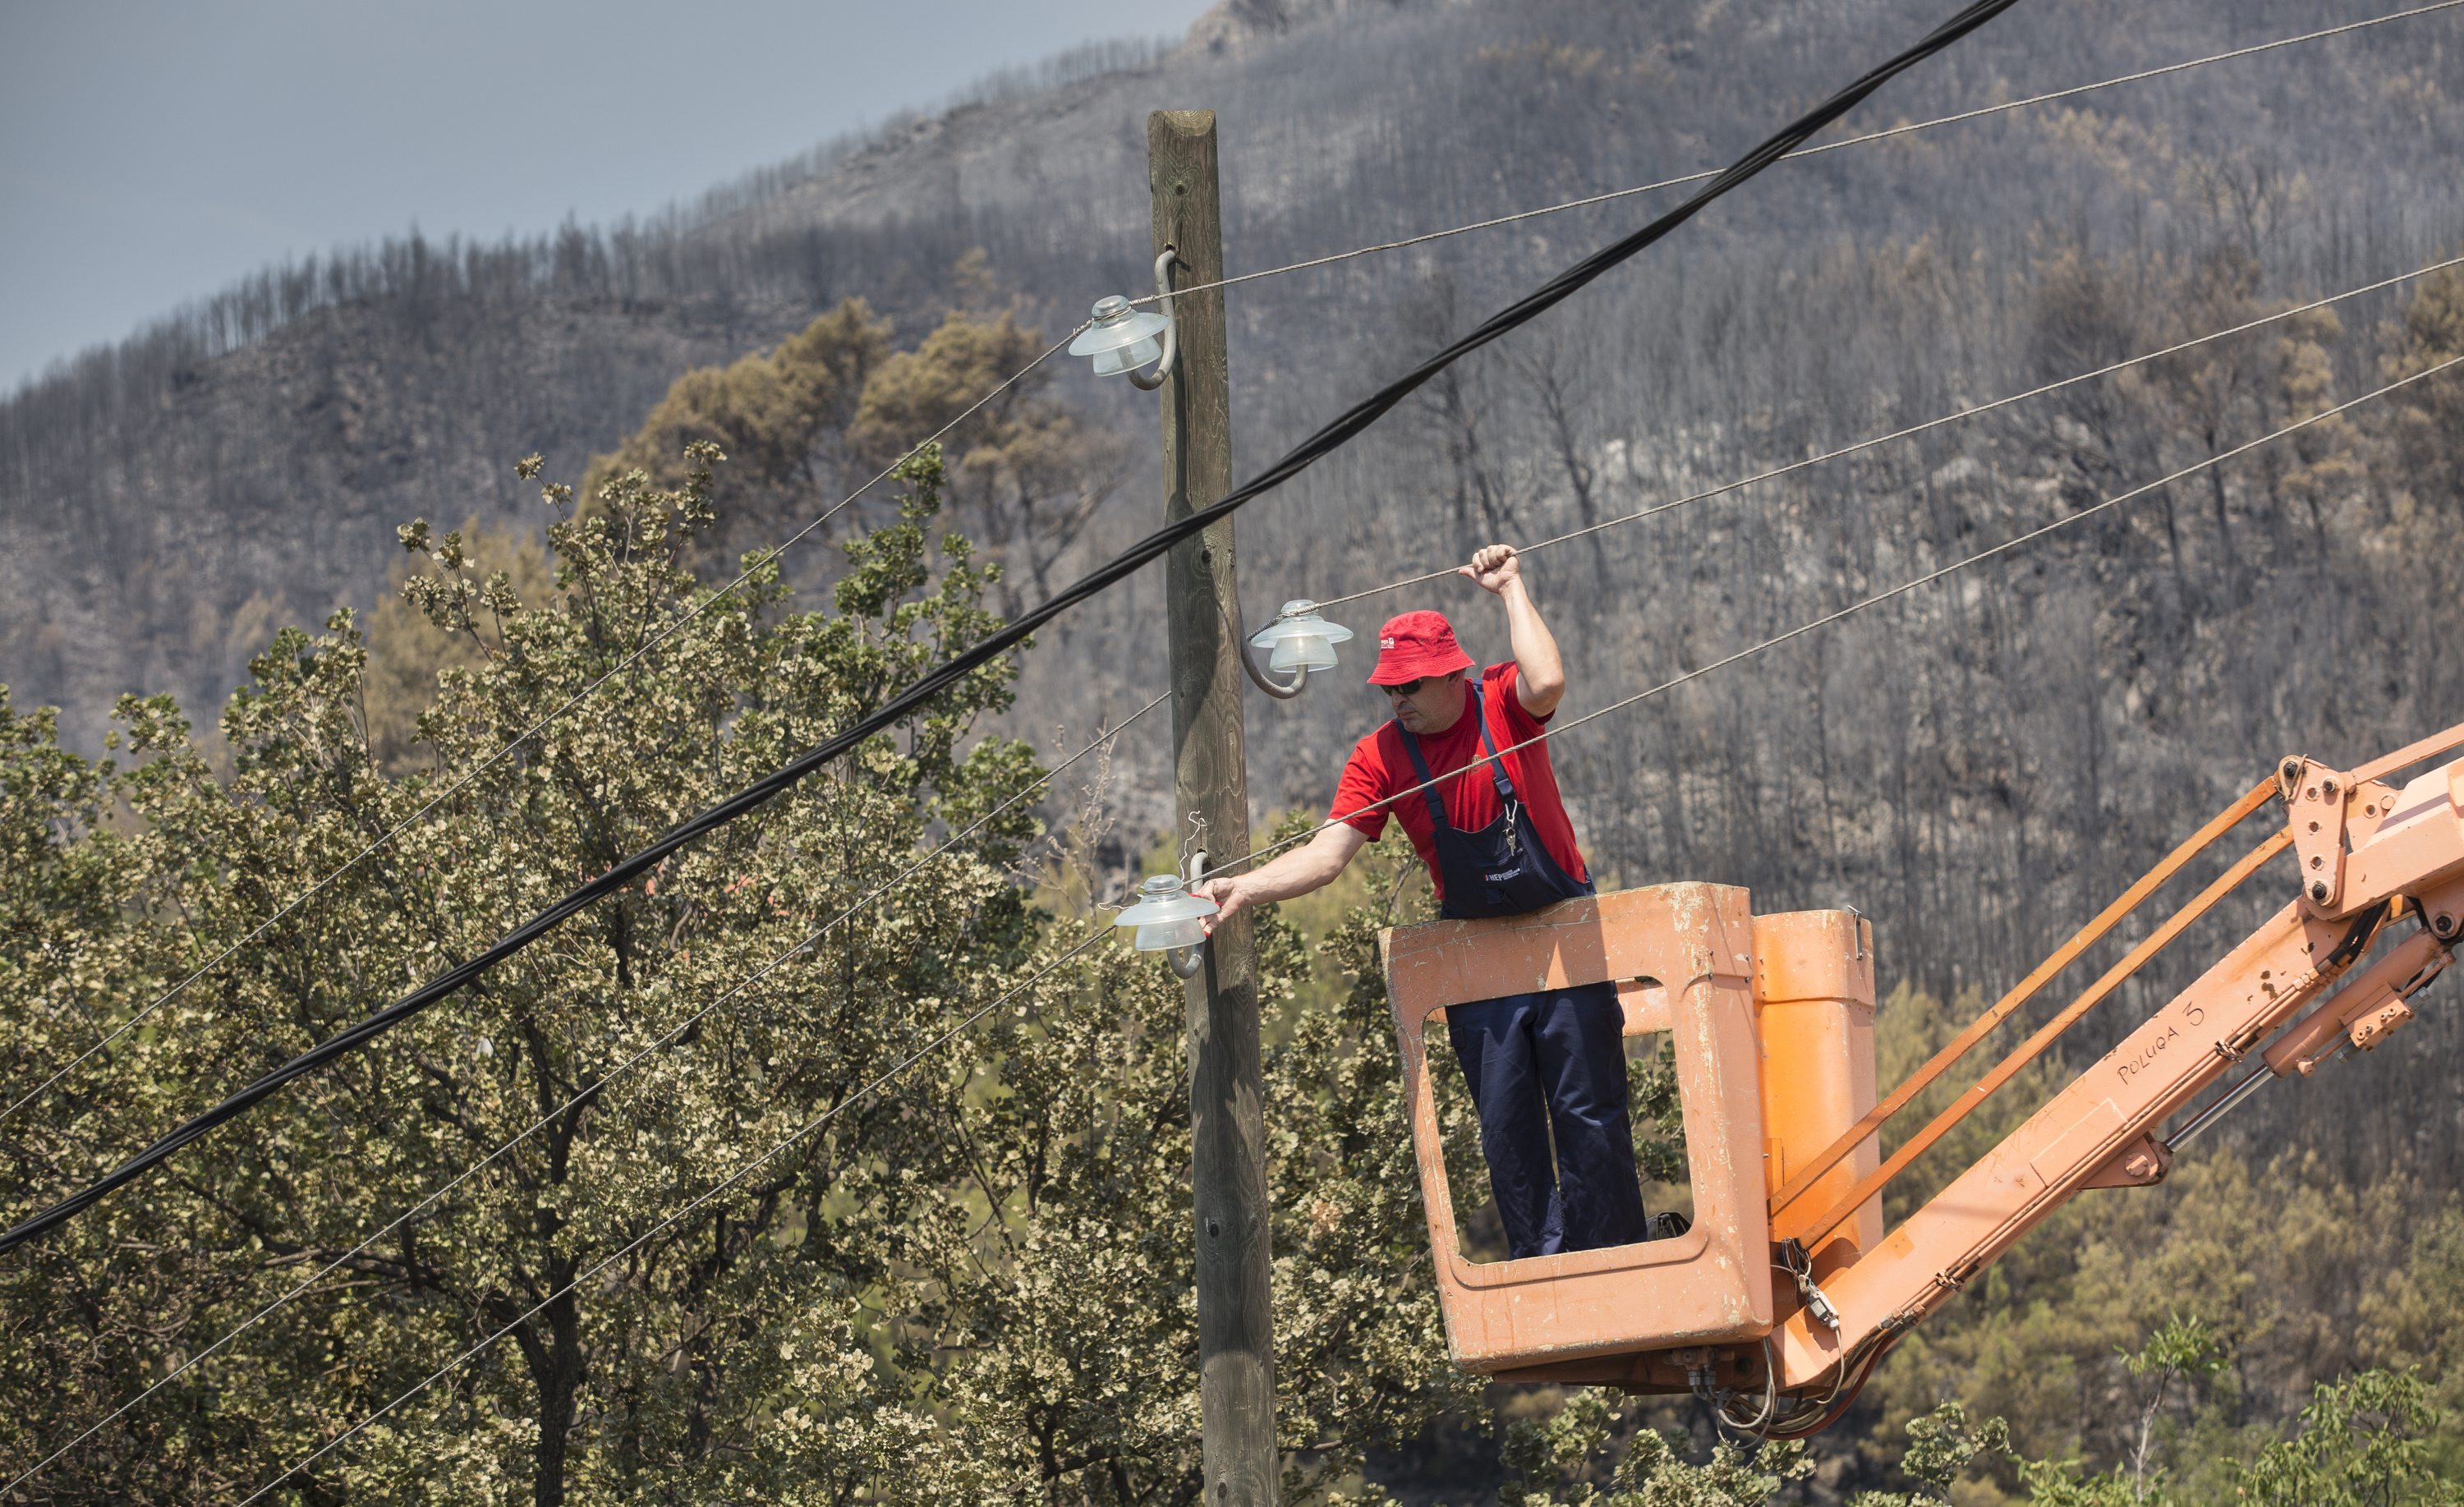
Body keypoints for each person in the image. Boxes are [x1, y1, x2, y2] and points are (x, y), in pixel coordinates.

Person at [1196, 544, 1657, 1260]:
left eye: (1411, 687)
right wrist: (1243, 888)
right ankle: (1546, 1266)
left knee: (1587, 1110)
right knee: (1505, 1122)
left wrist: (1510, 588)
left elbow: (1550, 676)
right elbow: (1326, 856)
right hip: (1478, 953)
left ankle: (1614, 1260)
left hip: (1565, 932)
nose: (1399, 701)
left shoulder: (1502, 701)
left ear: (1454, 675)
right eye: (1389, 691)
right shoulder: (1380, 756)